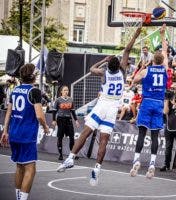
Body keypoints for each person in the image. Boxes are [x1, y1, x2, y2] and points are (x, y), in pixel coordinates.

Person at [56, 27, 142, 186]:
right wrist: (136, 33)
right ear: (120, 66)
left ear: (108, 66)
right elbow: (128, 49)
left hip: (103, 104)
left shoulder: (104, 72)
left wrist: (104, 60)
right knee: (103, 141)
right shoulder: (122, 72)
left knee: (85, 133)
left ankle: (70, 158)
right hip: (113, 108)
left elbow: (91, 69)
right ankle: (97, 169)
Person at [0, 63, 49, 200]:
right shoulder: (34, 91)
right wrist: (45, 127)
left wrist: (5, 131)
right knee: (30, 169)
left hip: (14, 133)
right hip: (27, 135)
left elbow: (8, 113)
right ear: (33, 76)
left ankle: (18, 197)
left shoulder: (15, 90)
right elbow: (39, 115)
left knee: (19, 167)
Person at [129, 24, 168, 179]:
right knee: (154, 135)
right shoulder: (165, 68)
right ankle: (152, 164)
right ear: (162, 60)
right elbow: (164, 50)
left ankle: (136, 160)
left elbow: (134, 79)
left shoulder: (146, 71)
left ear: (152, 59)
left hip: (147, 102)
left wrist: (137, 75)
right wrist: (163, 34)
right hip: (159, 103)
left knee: (141, 133)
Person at [52, 85, 80, 160]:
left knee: (71, 137)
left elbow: (73, 111)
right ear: (61, 92)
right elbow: (54, 111)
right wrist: (54, 120)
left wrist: (76, 120)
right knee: (60, 137)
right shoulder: (58, 100)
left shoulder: (71, 99)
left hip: (69, 120)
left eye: (67, 90)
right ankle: (60, 154)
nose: (66, 92)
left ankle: (72, 154)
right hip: (60, 120)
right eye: (64, 90)